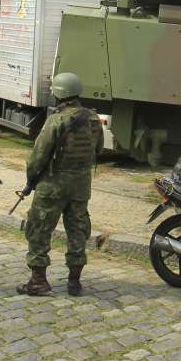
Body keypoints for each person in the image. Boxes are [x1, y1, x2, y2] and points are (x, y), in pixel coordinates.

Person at [18, 72, 104, 297]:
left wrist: (31, 180)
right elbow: (98, 150)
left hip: (53, 185)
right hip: (81, 186)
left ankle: (38, 281)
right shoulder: (93, 119)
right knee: (77, 231)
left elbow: (38, 157)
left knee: (38, 229)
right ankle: (74, 282)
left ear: (58, 93)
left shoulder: (56, 120)